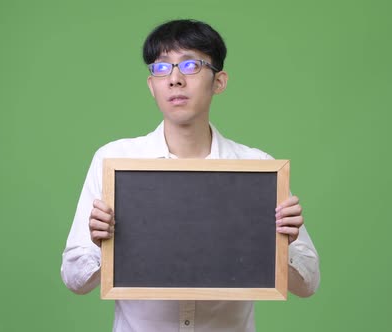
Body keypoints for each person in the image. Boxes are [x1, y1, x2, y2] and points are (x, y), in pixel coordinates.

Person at [61, 19, 320, 332]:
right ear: (151, 85)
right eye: (161, 68)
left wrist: (281, 245)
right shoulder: (115, 162)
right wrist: (103, 246)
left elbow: (308, 283)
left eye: (190, 65)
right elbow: (74, 279)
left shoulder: (256, 168)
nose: (174, 79)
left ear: (219, 81)